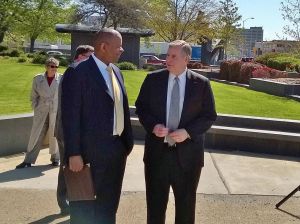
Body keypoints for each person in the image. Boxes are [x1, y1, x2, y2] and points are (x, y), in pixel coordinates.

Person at [135, 40, 217, 224]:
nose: (167, 60)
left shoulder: (201, 84)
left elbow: (209, 116)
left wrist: (188, 132)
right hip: (157, 155)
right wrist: (153, 126)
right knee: (155, 209)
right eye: (167, 55)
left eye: (173, 56)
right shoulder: (153, 80)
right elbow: (141, 109)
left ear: (186, 59)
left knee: (186, 210)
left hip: (188, 158)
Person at [61, 28, 133, 224]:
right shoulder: (77, 73)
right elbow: (70, 116)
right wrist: (73, 153)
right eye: (118, 46)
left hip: (117, 151)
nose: (122, 50)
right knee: (85, 210)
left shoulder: (116, 71)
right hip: (88, 155)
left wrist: (125, 145)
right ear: (103, 46)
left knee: (109, 206)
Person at [54, 45, 94, 215]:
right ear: (80, 56)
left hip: (77, 133)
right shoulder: (72, 73)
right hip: (66, 132)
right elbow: (67, 110)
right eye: (89, 57)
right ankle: (63, 201)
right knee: (67, 167)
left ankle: (76, 198)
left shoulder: (83, 74)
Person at [16, 57, 62, 169]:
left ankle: (56, 159)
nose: (54, 69)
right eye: (52, 66)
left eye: (56, 67)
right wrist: (35, 107)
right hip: (41, 110)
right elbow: (33, 96)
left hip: (55, 110)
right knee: (36, 135)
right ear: (46, 67)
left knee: (55, 134)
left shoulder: (61, 78)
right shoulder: (37, 79)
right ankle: (28, 160)